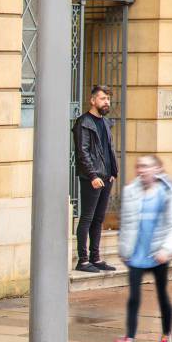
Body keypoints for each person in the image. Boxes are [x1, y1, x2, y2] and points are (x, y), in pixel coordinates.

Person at [112, 154, 172, 342]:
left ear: (157, 169)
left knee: (162, 296)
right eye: (139, 166)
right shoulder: (130, 192)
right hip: (137, 253)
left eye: (147, 166)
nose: (142, 170)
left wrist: (167, 250)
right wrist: (124, 250)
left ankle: (166, 338)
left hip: (158, 252)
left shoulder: (167, 193)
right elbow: (126, 223)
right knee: (134, 298)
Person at [72, 84, 119, 274]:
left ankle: (95, 257)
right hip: (92, 178)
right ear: (92, 101)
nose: (106, 102)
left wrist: (113, 172)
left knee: (99, 219)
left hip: (106, 178)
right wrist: (92, 175)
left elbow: (109, 149)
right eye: (102, 98)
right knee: (87, 218)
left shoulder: (105, 123)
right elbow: (83, 152)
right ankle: (82, 261)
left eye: (108, 98)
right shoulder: (84, 123)